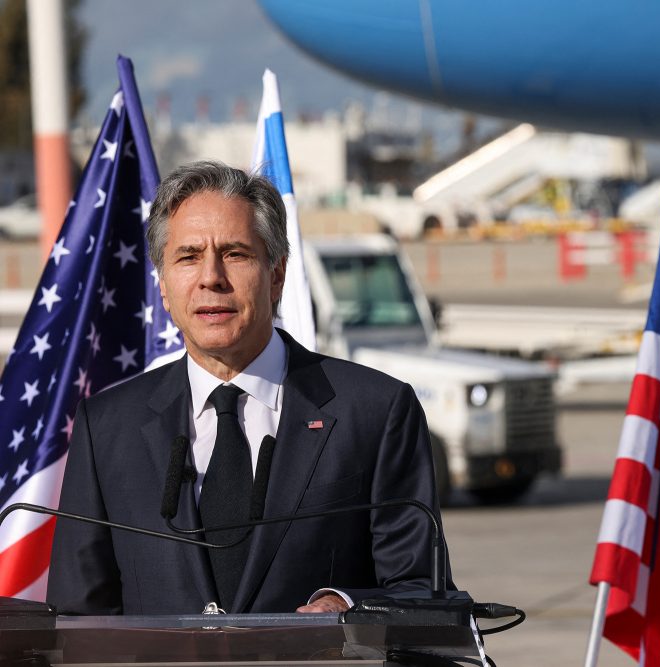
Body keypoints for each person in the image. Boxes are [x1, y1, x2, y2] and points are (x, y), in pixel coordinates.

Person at [48, 161, 448, 615]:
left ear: (276, 274)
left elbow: (424, 592)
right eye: (188, 256)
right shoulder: (107, 427)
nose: (211, 277)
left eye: (235, 253)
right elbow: (77, 618)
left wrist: (350, 605)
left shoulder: (376, 411)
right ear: (163, 286)